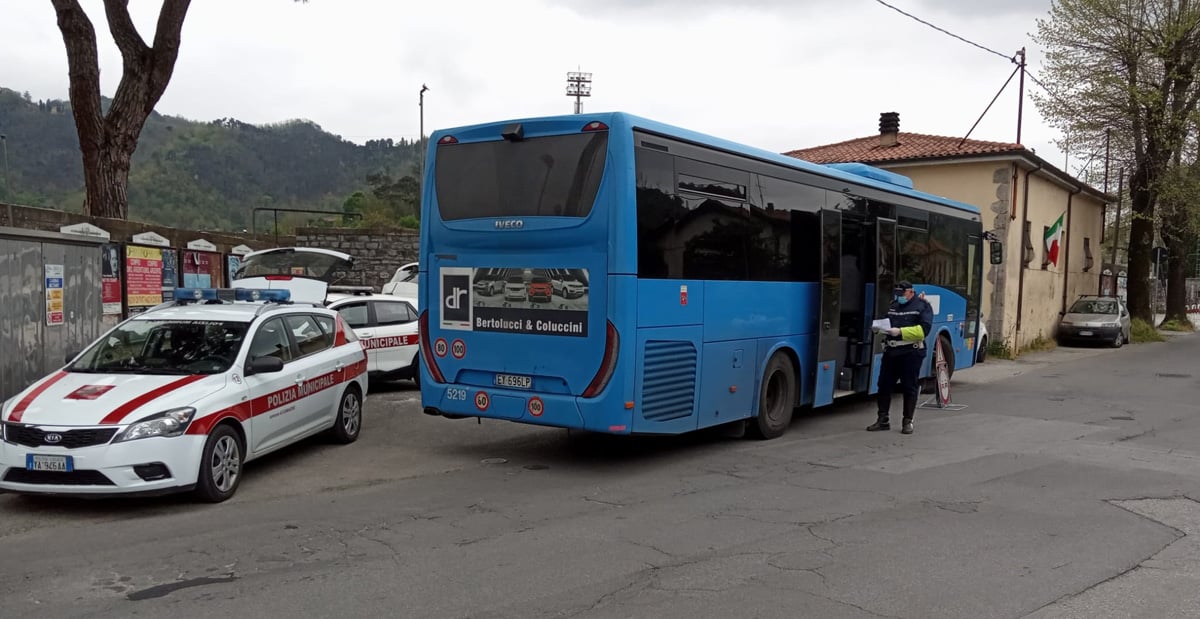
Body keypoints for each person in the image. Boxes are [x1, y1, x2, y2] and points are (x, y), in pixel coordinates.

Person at [867, 280, 933, 434]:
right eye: (897, 294)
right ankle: (882, 419)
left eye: (901, 294)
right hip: (891, 352)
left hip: (911, 353)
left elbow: (923, 331)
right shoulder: (893, 306)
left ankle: (907, 421)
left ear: (910, 292)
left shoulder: (922, 306)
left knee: (909, 386)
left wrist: (901, 332)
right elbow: (885, 322)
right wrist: (878, 328)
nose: (899, 297)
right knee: (884, 385)